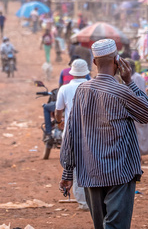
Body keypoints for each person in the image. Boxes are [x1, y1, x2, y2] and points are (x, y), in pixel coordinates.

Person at [59, 39, 148, 229]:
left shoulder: (82, 91)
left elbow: (71, 132)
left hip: (90, 171)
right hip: (120, 172)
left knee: (101, 225)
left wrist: (68, 171)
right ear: (118, 62)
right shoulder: (121, 91)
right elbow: (147, 114)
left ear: (94, 62)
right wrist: (130, 83)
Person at [54, 59, 90, 211]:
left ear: (72, 72)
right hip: (90, 133)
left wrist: (59, 121)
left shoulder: (64, 89)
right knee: (90, 165)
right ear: (86, 72)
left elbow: (58, 111)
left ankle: (82, 202)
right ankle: (93, 200)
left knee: (74, 168)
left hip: (71, 134)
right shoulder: (91, 86)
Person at [126, 58, 148, 157]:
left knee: (139, 133)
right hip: (134, 108)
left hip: (138, 108)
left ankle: (138, 154)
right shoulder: (131, 78)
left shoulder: (136, 78)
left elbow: (138, 95)